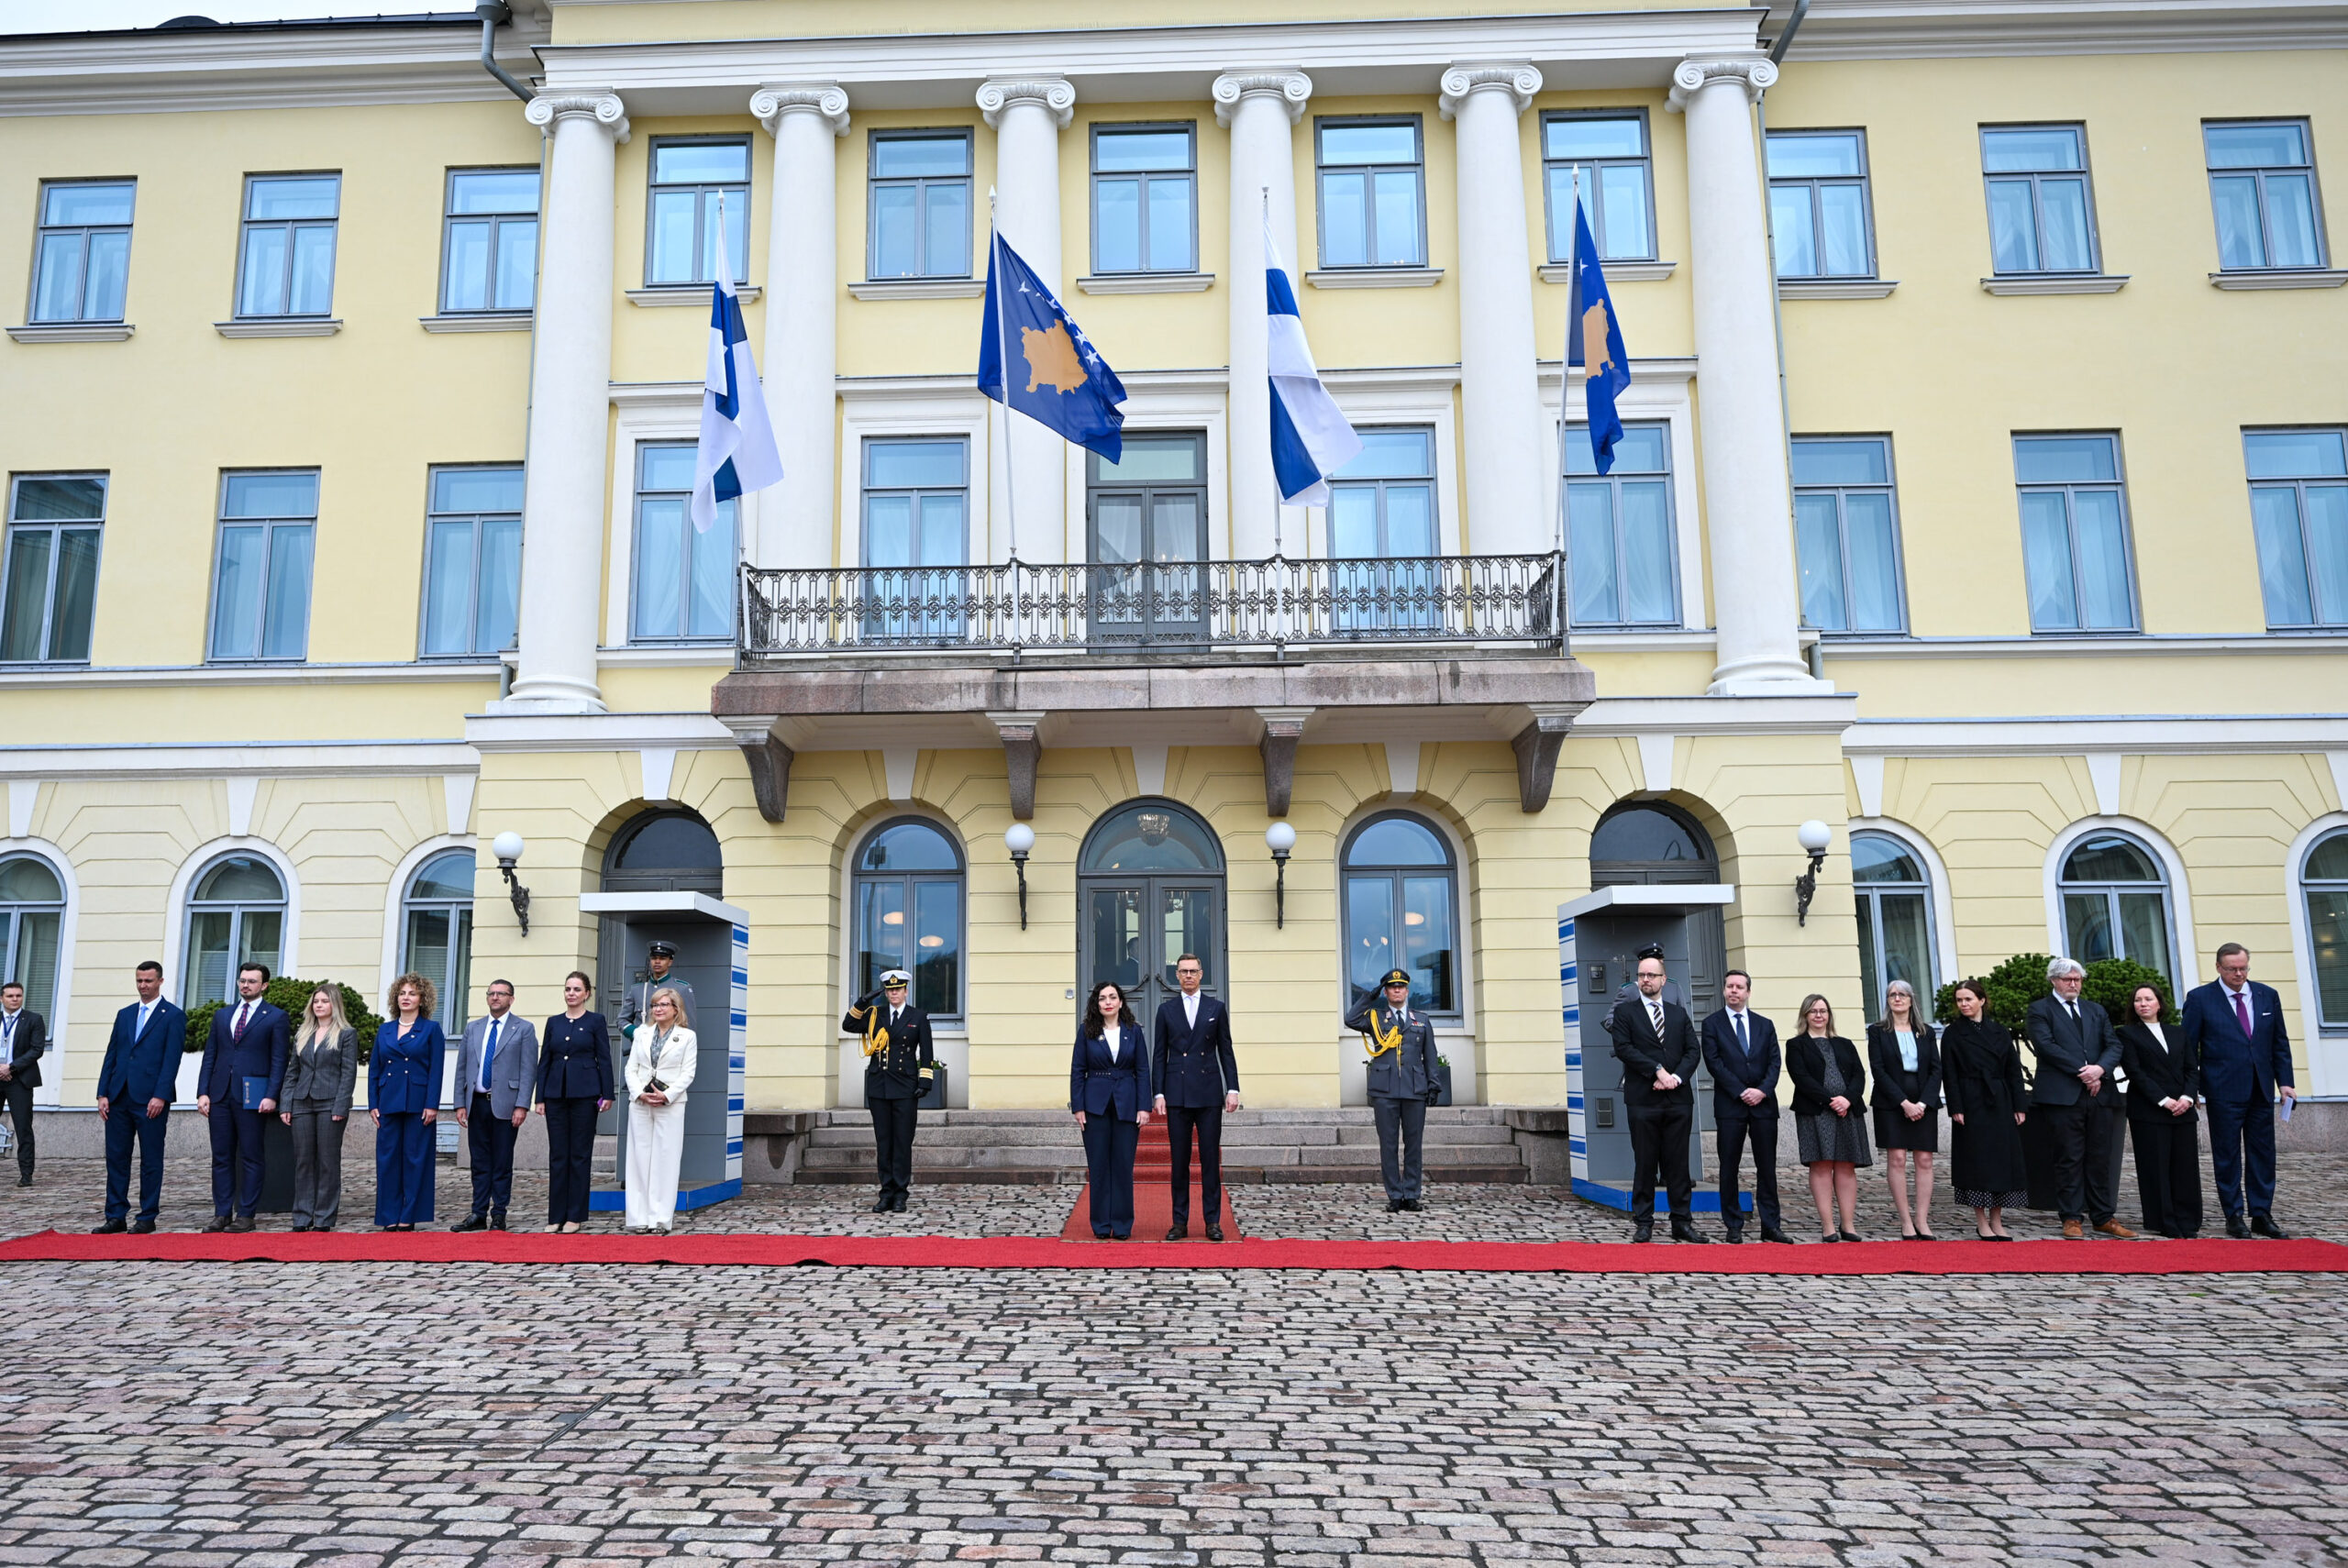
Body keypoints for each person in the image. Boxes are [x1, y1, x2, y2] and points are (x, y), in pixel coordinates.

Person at [2182, 943, 2296, 1239]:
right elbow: (2188, 1049)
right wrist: (2190, 1088)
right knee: (2227, 1154)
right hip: (2222, 1089)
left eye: (2243, 968)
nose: (2239, 974)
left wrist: (2285, 1082)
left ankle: (2261, 1213)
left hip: (2260, 1087)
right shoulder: (2200, 999)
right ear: (2218, 967)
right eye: (2232, 969)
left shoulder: (2267, 995)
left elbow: (2279, 1043)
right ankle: (2233, 1215)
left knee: (2263, 1153)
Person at [1607, 953, 1708, 1243]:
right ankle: (1644, 1222)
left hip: (1678, 1100)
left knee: (1678, 1165)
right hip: (1643, 1100)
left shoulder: (1677, 1014)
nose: (1646, 980)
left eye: (1651, 975)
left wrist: (1676, 1078)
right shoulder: (1626, 1013)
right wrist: (1657, 1071)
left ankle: (1682, 1222)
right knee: (1645, 1163)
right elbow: (1624, 1049)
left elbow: (1693, 1050)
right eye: (1642, 975)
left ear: (1664, 980)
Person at [2026, 956, 2127, 1240]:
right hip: (2063, 1095)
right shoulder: (2040, 1009)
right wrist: (2084, 1072)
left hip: (2099, 1093)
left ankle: (2103, 1216)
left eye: (2077, 979)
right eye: (2067, 979)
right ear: (2053, 981)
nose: (2073, 984)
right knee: (2068, 1157)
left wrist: (2100, 1070)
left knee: (2100, 1157)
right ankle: (2071, 1217)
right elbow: (2046, 1046)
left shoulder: (2095, 1010)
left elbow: (2113, 1044)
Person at [195, 961, 290, 1232]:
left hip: (253, 1096)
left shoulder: (276, 1017)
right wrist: (203, 1092)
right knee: (221, 1156)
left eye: (251, 981)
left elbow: (279, 1059)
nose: (245, 985)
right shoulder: (222, 1015)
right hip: (220, 1094)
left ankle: (246, 1214)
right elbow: (210, 1055)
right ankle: (222, 1213)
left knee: (251, 1155)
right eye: (242, 980)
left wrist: (272, 1095)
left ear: (264, 985)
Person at [1152, 952, 1239, 1242]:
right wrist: (1159, 1092)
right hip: (1177, 1093)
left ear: (1201, 974)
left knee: (1210, 1160)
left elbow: (1225, 1050)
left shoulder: (1216, 1007)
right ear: (1177, 975)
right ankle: (1179, 1222)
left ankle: (1212, 1221)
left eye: (1193, 971)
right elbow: (1159, 1054)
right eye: (1183, 971)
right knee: (1179, 1162)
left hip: (1208, 1093)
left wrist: (1233, 1088)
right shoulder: (1166, 1010)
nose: (1188, 975)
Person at [1700, 969, 1790, 1243]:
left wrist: (1762, 1091)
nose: (1734, 991)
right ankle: (1733, 1224)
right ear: (1724, 990)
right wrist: (1741, 1091)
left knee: (1767, 1167)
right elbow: (1714, 1063)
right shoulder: (1712, 1024)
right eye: (1730, 986)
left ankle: (1771, 1225)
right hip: (1730, 1105)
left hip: (1763, 1105)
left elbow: (1775, 1062)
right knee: (1729, 1166)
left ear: (1748, 992)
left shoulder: (1765, 1024)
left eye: (1739, 987)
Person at [92, 962, 183, 1234]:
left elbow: (171, 1060)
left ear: (160, 981)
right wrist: (103, 1092)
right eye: (139, 980)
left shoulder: (173, 1016)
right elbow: (112, 1054)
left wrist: (160, 1095)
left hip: (150, 1099)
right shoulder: (125, 1014)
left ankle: (147, 1215)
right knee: (116, 1158)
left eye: (148, 981)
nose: (143, 985)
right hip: (119, 1096)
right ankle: (115, 1215)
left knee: (151, 1160)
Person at [1346, 967, 1444, 1215]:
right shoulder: (1376, 1019)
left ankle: (1411, 1194)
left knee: (1414, 1145)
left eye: (1400, 987)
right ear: (1386, 992)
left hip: (1414, 1090)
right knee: (1388, 1145)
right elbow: (1350, 1019)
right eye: (1391, 987)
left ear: (1407, 991)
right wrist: (1370, 995)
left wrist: (1434, 1084)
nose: (1397, 990)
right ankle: (1394, 1195)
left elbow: (1430, 1055)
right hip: (1385, 1091)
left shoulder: (1421, 1020)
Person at [1941, 978, 2028, 1241]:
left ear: (1982, 1000)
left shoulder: (1999, 1031)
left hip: (1999, 1100)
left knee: (2001, 1160)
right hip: (1971, 1101)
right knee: (1976, 1161)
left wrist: (2019, 1104)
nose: (1963, 1004)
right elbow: (1949, 1073)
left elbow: (2013, 1070)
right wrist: (1956, 1106)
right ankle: (1981, 1221)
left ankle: (1997, 1219)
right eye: (1959, 1000)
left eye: (1968, 999)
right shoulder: (1953, 1033)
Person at [842, 968, 934, 1213]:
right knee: (884, 1143)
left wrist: (925, 1082)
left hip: (905, 1087)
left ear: (906, 991)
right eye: (890, 990)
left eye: (898, 989)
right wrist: (863, 1001)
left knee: (902, 1142)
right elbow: (848, 1025)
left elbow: (926, 1051)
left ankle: (901, 1194)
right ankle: (886, 1193)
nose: (894, 993)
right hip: (879, 1085)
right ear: (886, 993)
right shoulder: (876, 1015)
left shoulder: (918, 1016)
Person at [2117, 981, 2202, 1239]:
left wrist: (2186, 1097)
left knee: (2185, 1166)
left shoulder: (2178, 1032)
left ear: (2159, 1003)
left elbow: (2191, 1068)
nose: (2143, 1004)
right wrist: (2164, 1100)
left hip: (2183, 1108)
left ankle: (2188, 1220)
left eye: (2148, 999)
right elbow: (2135, 1072)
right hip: (2149, 1110)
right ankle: (2163, 1220)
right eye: (2138, 1000)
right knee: (2155, 1167)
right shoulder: (2127, 1034)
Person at [451, 977, 537, 1231]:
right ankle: (478, 1213)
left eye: (501, 993)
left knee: (501, 1162)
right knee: (479, 1162)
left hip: (506, 1106)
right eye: (491, 993)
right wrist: (459, 1103)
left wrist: (522, 1105)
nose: (495, 997)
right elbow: (462, 1068)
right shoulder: (473, 1028)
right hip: (476, 1104)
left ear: (512, 998)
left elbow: (528, 1070)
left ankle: (499, 1214)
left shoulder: (524, 1029)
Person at [1069, 980, 1150, 1240]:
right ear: (1096, 1003)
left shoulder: (1134, 1031)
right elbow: (1077, 1070)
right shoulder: (1087, 1031)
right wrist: (1078, 1107)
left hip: (1127, 1104)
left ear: (1121, 1002)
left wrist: (1144, 1106)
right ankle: (1101, 1225)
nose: (1108, 1002)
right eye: (1102, 998)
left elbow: (1142, 1070)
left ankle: (1123, 1225)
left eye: (1112, 997)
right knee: (1099, 1166)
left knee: (1123, 1166)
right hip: (1095, 1106)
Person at [1788, 994, 1870, 1242]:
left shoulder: (1845, 1044)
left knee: (1846, 1165)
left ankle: (1848, 1224)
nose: (1819, 1015)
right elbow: (1801, 1078)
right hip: (1816, 1112)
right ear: (1805, 1015)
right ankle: (1828, 1226)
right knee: (1821, 1164)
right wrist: (1831, 1101)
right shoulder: (1796, 1045)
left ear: (1829, 1015)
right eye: (1813, 1011)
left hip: (1848, 1111)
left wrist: (1847, 1100)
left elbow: (1859, 1075)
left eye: (1823, 1011)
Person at [537, 970, 615, 1233]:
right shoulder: (554, 1022)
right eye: (568, 989)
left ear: (587, 994)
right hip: (555, 1095)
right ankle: (556, 1215)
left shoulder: (595, 1021)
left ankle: (575, 1215)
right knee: (558, 1155)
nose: (571, 993)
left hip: (585, 1095)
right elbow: (545, 1061)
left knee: (579, 1155)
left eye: (577, 989)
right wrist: (540, 1097)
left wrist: (607, 1093)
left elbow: (604, 1059)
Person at [1866, 979, 1943, 1241]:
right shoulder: (1878, 1031)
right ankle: (1906, 1220)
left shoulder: (1925, 1031)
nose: (1897, 999)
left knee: (1925, 1160)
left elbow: (1936, 1069)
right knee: (1897, 1158)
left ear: (1911, 999)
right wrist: (1904, 1103)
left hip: (1923, 1101)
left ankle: (1922, 1219)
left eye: (1902, 995)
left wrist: (1922, 1103)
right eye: (1892, 995)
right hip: (1891, 1102)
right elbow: (1878, 1070)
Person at [278, 984, 359, 1231]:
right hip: (302, 1102)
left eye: (324, 1001)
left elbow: (348, 1074)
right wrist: (286, 1103)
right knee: (303, 1160)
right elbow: (292, 1072)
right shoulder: (303, 1033)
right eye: (316, 1001)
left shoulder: (346, 1034)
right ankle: (302, 1217)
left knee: (327, 1161)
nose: (319, 1005)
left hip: (330, 1103)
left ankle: (324, 1217)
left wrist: (341, 1106)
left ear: (335, 1004)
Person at [369, 972, 445, 1231]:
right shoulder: (385, 1029)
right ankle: (388, 1215)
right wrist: (373, 1103)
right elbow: (375, 1068)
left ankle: (409, 1214)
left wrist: (432, 1104)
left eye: (412, 993)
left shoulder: (431, 1029)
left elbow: (436, 1070)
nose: (406, 997)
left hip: (418, 1102)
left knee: (415, 1159)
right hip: (388, 1101)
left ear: (422, 999)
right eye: (402, 993)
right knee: (387, 1160)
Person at [623, 986, 696, 1233]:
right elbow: (631, 1068)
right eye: (655, 1005)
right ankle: (639, 1218)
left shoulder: (687, 1037)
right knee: (638, 1159)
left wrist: (667, 1095)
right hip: (641, 1103)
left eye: (664, 1004)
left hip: (670, 1104)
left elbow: (688, 1073)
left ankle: (660, 1219)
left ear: (676, 1009)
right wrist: (639, 1093)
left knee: (666, 1160)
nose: (658, 1009)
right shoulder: (642, 1034)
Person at [0, 980, 46, 1186]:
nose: (15, 999)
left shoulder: (34, 1019)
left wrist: (10, 1068)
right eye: (10, 996)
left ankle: (26, 1174)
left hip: (20, 1080)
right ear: (2, 999)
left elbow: (36, 1049)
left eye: (18, 995)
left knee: (23, 1127)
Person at [620, 941, 695, 1034]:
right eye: (654, 958)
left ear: (670, 962)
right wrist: (636, 1034)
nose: (657, 962)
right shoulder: (637, 990)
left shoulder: (682, 989)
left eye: (662, 958)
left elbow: (689, 1025)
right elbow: (622, 1020)